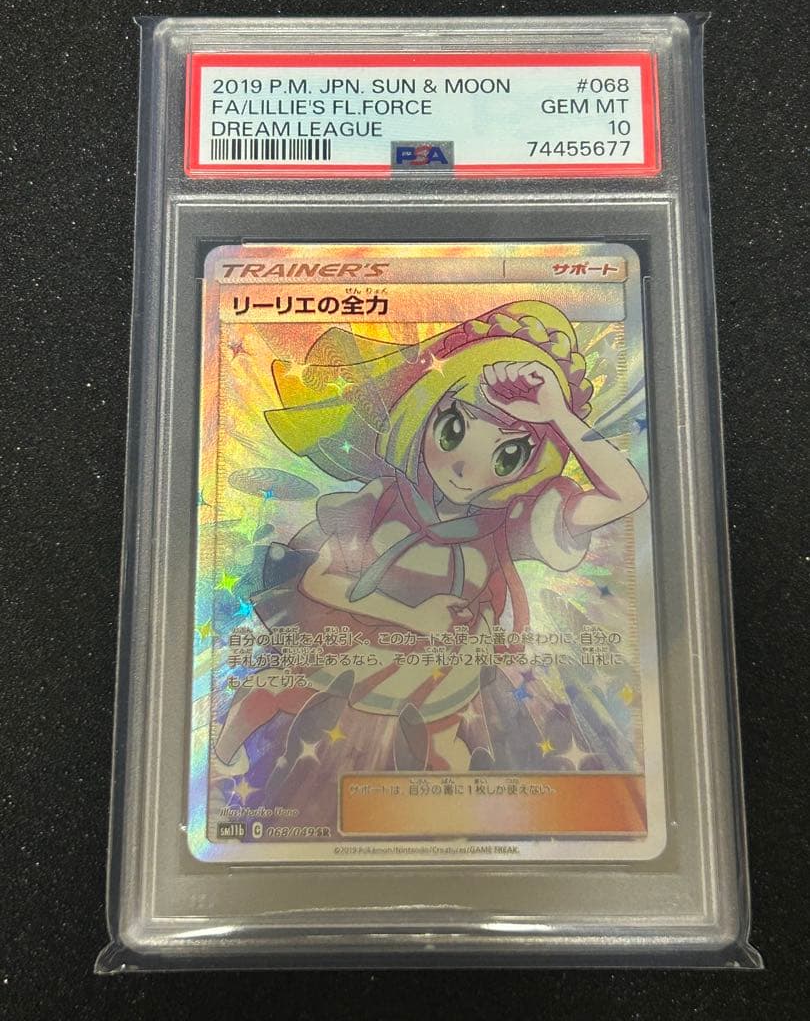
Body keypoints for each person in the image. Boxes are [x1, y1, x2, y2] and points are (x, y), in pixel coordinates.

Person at [214, 301, 647, 777]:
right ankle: (225, 753)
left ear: (533, 462)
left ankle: (450, 816)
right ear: (426, 414)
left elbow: (627, 495)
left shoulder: (511, 521)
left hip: (442, 664)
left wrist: (559, 415)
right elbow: (318, 583)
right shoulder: (383, 500)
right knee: (284, 691)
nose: (464, 468)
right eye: (453, 429)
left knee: (442, 746)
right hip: (361, 637)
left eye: (508, 454)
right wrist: (414, 616)